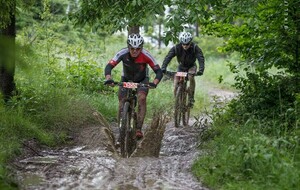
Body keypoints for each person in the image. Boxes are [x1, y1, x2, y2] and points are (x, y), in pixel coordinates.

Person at [104, 33, 163, 141]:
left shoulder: (146, 55)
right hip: (126, 79)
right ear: (128, 47)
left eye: (138, 49)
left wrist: (154, 82)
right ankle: (121, 128)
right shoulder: (122, 53)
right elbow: (109, 66)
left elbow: (158, 71)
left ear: (141, 47)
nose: (135, 51)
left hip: (142, 79)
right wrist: (109, 79)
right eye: (132, 49)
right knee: (122, 101)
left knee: (141, 98)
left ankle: (139, 129)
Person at [161, 32, 205, 107]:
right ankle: (176, 102)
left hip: (191, 66)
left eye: (187, 44)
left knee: (191, 77)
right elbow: (168, 57)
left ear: (190, 42)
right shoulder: (176, 47)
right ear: (181, 42)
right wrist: (163, 67)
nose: (185, 46)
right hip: (181, 67)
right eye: (183, 44)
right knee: (175, 83)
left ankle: (191, 98)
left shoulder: (195, 47)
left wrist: (201, 69)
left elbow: (200, 58)